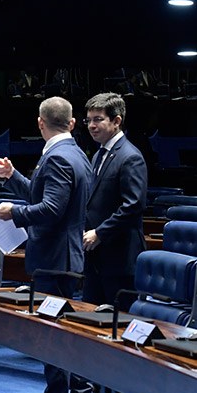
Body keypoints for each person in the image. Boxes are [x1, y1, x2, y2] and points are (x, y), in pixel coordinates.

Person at [0, 96, 96, 393]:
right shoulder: (75, 153)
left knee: (51, 335)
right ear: (73, 123)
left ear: (40, 123)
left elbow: (50, 210)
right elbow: (43, 196)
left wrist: (12, 212)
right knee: (63, 332)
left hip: (55, 259)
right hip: (61, 257)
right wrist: (13, 176)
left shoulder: (59, 157)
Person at [82, 93, 148, 310]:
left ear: (117, 121)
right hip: (95, 256)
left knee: (118, 327)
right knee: (90, 321)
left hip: (119, 258)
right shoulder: (98, 155)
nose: (91, 125)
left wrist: (100, 233)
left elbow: (134, 206)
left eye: (98, 119)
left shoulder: (130, 157)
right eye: (89, 120)